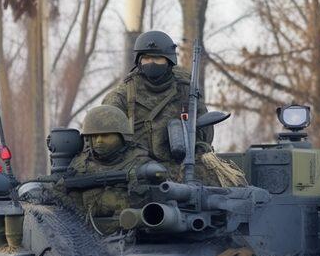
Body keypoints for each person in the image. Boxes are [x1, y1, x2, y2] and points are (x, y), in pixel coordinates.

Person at [102, 30, 246, 187]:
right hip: (137, 167)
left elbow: (205, 133)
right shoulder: (122, 96)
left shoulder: (186, 90)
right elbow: (102, 136)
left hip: (181, 165)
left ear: (169, 61)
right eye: (147, 58)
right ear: (139, 61)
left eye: (158, 58)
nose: (152, 63)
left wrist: (195, 146)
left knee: (231, 185)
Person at [57, 105, 155, 234]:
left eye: (105, 135)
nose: (99, 141)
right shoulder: (80, 164)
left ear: (122, 136)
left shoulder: (142, 165)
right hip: (85, 238)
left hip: (131, 238)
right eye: (94, 135)